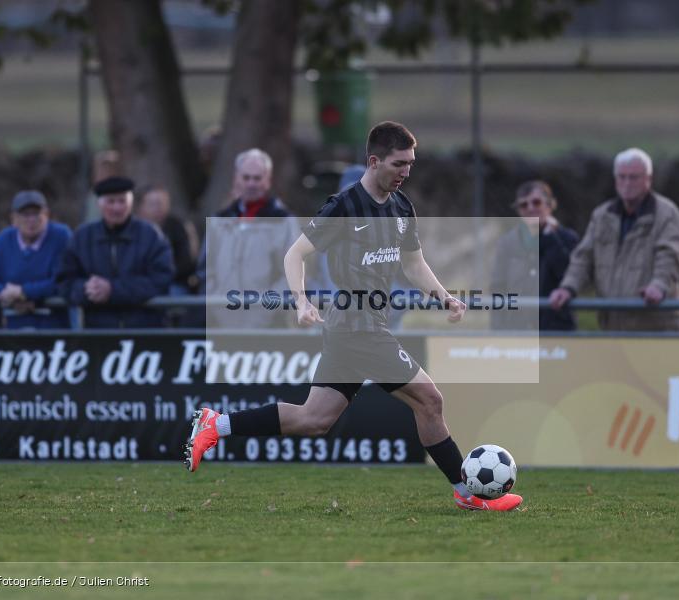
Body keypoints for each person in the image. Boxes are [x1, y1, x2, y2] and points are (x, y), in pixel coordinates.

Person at [184, 122, 522, 512]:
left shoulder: (401, 208)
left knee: (314, 419)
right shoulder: (343, 206)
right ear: (374, 161)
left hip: (360, 328)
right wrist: (301, 301)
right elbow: (294, 254)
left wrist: (444, 297)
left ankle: (215, 424)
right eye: (398, 164)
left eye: (410, 164)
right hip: (356, 327)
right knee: (430, 401)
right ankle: (469, 493)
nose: (406, 172)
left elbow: (413, 264)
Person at [549, 148, 679, 332]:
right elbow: (583, 257)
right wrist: (568, 288)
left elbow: (669, 254)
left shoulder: (666, 213)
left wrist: (658, 286)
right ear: (615, 181)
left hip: (656, 324)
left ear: (648, 179)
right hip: (612, 325)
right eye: (622, 177)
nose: (627, 183)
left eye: (634, 177)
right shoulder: (602, 216)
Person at [198, 148, 300, 329]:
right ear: (236, 179)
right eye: (246, 178)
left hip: (270, 324)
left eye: (257, 178)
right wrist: (217, 304)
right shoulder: (219, 221)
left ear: (268, 180)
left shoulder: (284, 222)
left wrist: (265, 308)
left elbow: (293, 274)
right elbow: (206, 270)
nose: (251, 184)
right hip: (222, 320)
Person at [58, 176, 173, 328]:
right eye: (110, 202)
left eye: (122, 201)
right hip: (98, 333)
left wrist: (113, 290)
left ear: (131, 203)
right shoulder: (82, 237)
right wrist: (87, 289)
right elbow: (65, 282)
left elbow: (161, 279)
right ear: (99, 204)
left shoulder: (151, 235)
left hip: (144, 330)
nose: (117, 208)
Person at [0, 190, 72, 329]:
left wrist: (25, 292)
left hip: (54, 330)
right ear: (13, 219)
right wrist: (8, 295)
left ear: (47, 215)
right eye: (25, 215)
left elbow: (62, 281)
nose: (31, 220)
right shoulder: (4, 239)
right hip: (12, 328)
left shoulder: (61, 236)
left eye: (36, 214)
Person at [491, 180, 579, 331]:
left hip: (556, 328)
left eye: (536, 202)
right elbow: (498, 287)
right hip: (517, 329)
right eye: (524, 205)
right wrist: (497, 328)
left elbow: (570, 276)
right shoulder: (507, 244)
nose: (530, 209)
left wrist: (552, 238)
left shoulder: (566, 239)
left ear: (550, 205)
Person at [137, 185, 198, 295]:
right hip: (140, 284)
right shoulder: (132, 230)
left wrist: (161, 276)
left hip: (173, 284)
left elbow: (186, 263)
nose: (158, 208)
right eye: (153, 204)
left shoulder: (177, 227)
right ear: (141, 207)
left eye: (162, 203)